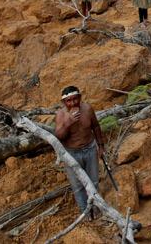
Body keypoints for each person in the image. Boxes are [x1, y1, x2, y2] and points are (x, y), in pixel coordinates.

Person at [55, 86, 106, 216]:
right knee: (78, 186)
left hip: (90, 149)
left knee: (94, 181)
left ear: (80, 98)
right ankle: (86, 214)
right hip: (72, 154)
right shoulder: (61, 114)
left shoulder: (87, 109)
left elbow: (95, 126)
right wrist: (68, 123)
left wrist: (101, 146)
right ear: (64, 102)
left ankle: (97, 210)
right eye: (68, 101)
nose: (72, 103)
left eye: (75, 99)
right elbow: (59, 136)